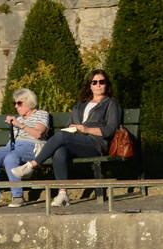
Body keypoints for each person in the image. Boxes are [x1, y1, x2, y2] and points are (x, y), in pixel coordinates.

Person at [10, 69, 122, 207]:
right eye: (94, 82)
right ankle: (62, 193)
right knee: (59, 150)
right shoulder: (80, 106)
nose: (98, 85)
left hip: (96, 144)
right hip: (77, 142)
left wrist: (86, 129)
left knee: (62, 136)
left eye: (102, 82)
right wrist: (73, 128)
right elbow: (70, 125)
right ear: (90, 85)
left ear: (106, 85)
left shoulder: (111, 103)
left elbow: (111, 130)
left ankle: (32, 165)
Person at [0, 88, 51, 208]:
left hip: (32, 145)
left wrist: (20, 125)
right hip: (13, 146)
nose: (16, 106)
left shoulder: (41, 114)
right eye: (15, 103)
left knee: (11, 158)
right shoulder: (18, 119)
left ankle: (18, 196)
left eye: (19, 103)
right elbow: (11, 143)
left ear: (29, 102)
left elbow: (38, 134)